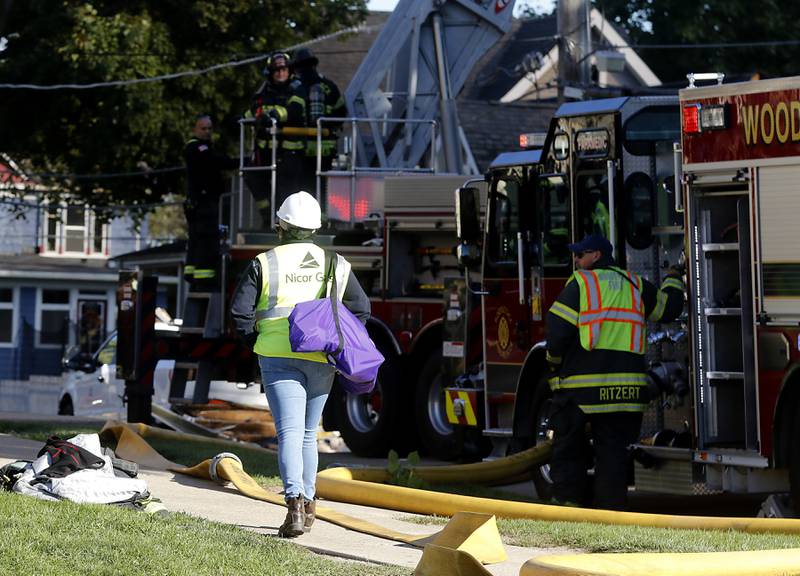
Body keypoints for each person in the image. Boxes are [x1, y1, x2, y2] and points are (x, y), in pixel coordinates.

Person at [230, 191, 370, 537]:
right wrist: (339, 343)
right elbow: (361, 308)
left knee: (290, 433)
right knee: (308, 434)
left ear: (281, 224)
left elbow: (240, 313)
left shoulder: (264, 263)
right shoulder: (334, 264)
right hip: (321, 356)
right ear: (315, 227)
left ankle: (293, 503)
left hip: (277, 356)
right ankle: (308, 507)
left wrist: (257, 342)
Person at [545, 234, 685, 510]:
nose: (575, 259)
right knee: (613, 459)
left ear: (596, 256)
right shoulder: (634, 284)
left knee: (568, 453)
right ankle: (611, 516)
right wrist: (673, 275)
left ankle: (566, 511)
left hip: (582, 393)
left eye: (580, 254)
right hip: (627, 394)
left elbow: (558, 333)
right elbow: (669, 308)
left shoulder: (581, 285)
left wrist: (553, 362)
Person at [245, 52, 308, 227]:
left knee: (285, 191)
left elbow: (295, 110)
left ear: (290, 71)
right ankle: (267, 217)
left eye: (284, 69)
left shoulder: (297, 89)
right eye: (276, 70)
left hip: (289, 152)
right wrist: (242, 119)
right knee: (251, 176)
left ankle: (286, 226)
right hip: (264, 152)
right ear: (270, 72)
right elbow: (253, 112)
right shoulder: (263, 91)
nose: (280, 73)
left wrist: (274, 115)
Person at [184, 114, 238, 287]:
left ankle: (192, 275)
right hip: (203, 203)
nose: (207, 132)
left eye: (209, 128)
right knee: (207, 242)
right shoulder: (196, 148)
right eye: (203, 128)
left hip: (199, 203)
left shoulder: (204, 148)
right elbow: (216, 162)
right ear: (195, 129)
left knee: (196, 241)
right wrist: (240, 161)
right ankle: (204, 278)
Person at [291, 47, 347, 208]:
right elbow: (341, 112)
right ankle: (320, 218)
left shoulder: (295, 88)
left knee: (302, 188)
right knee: (321, 187)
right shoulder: (328, 86)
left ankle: (305, 219)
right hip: (324, 149)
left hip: (301, 148)